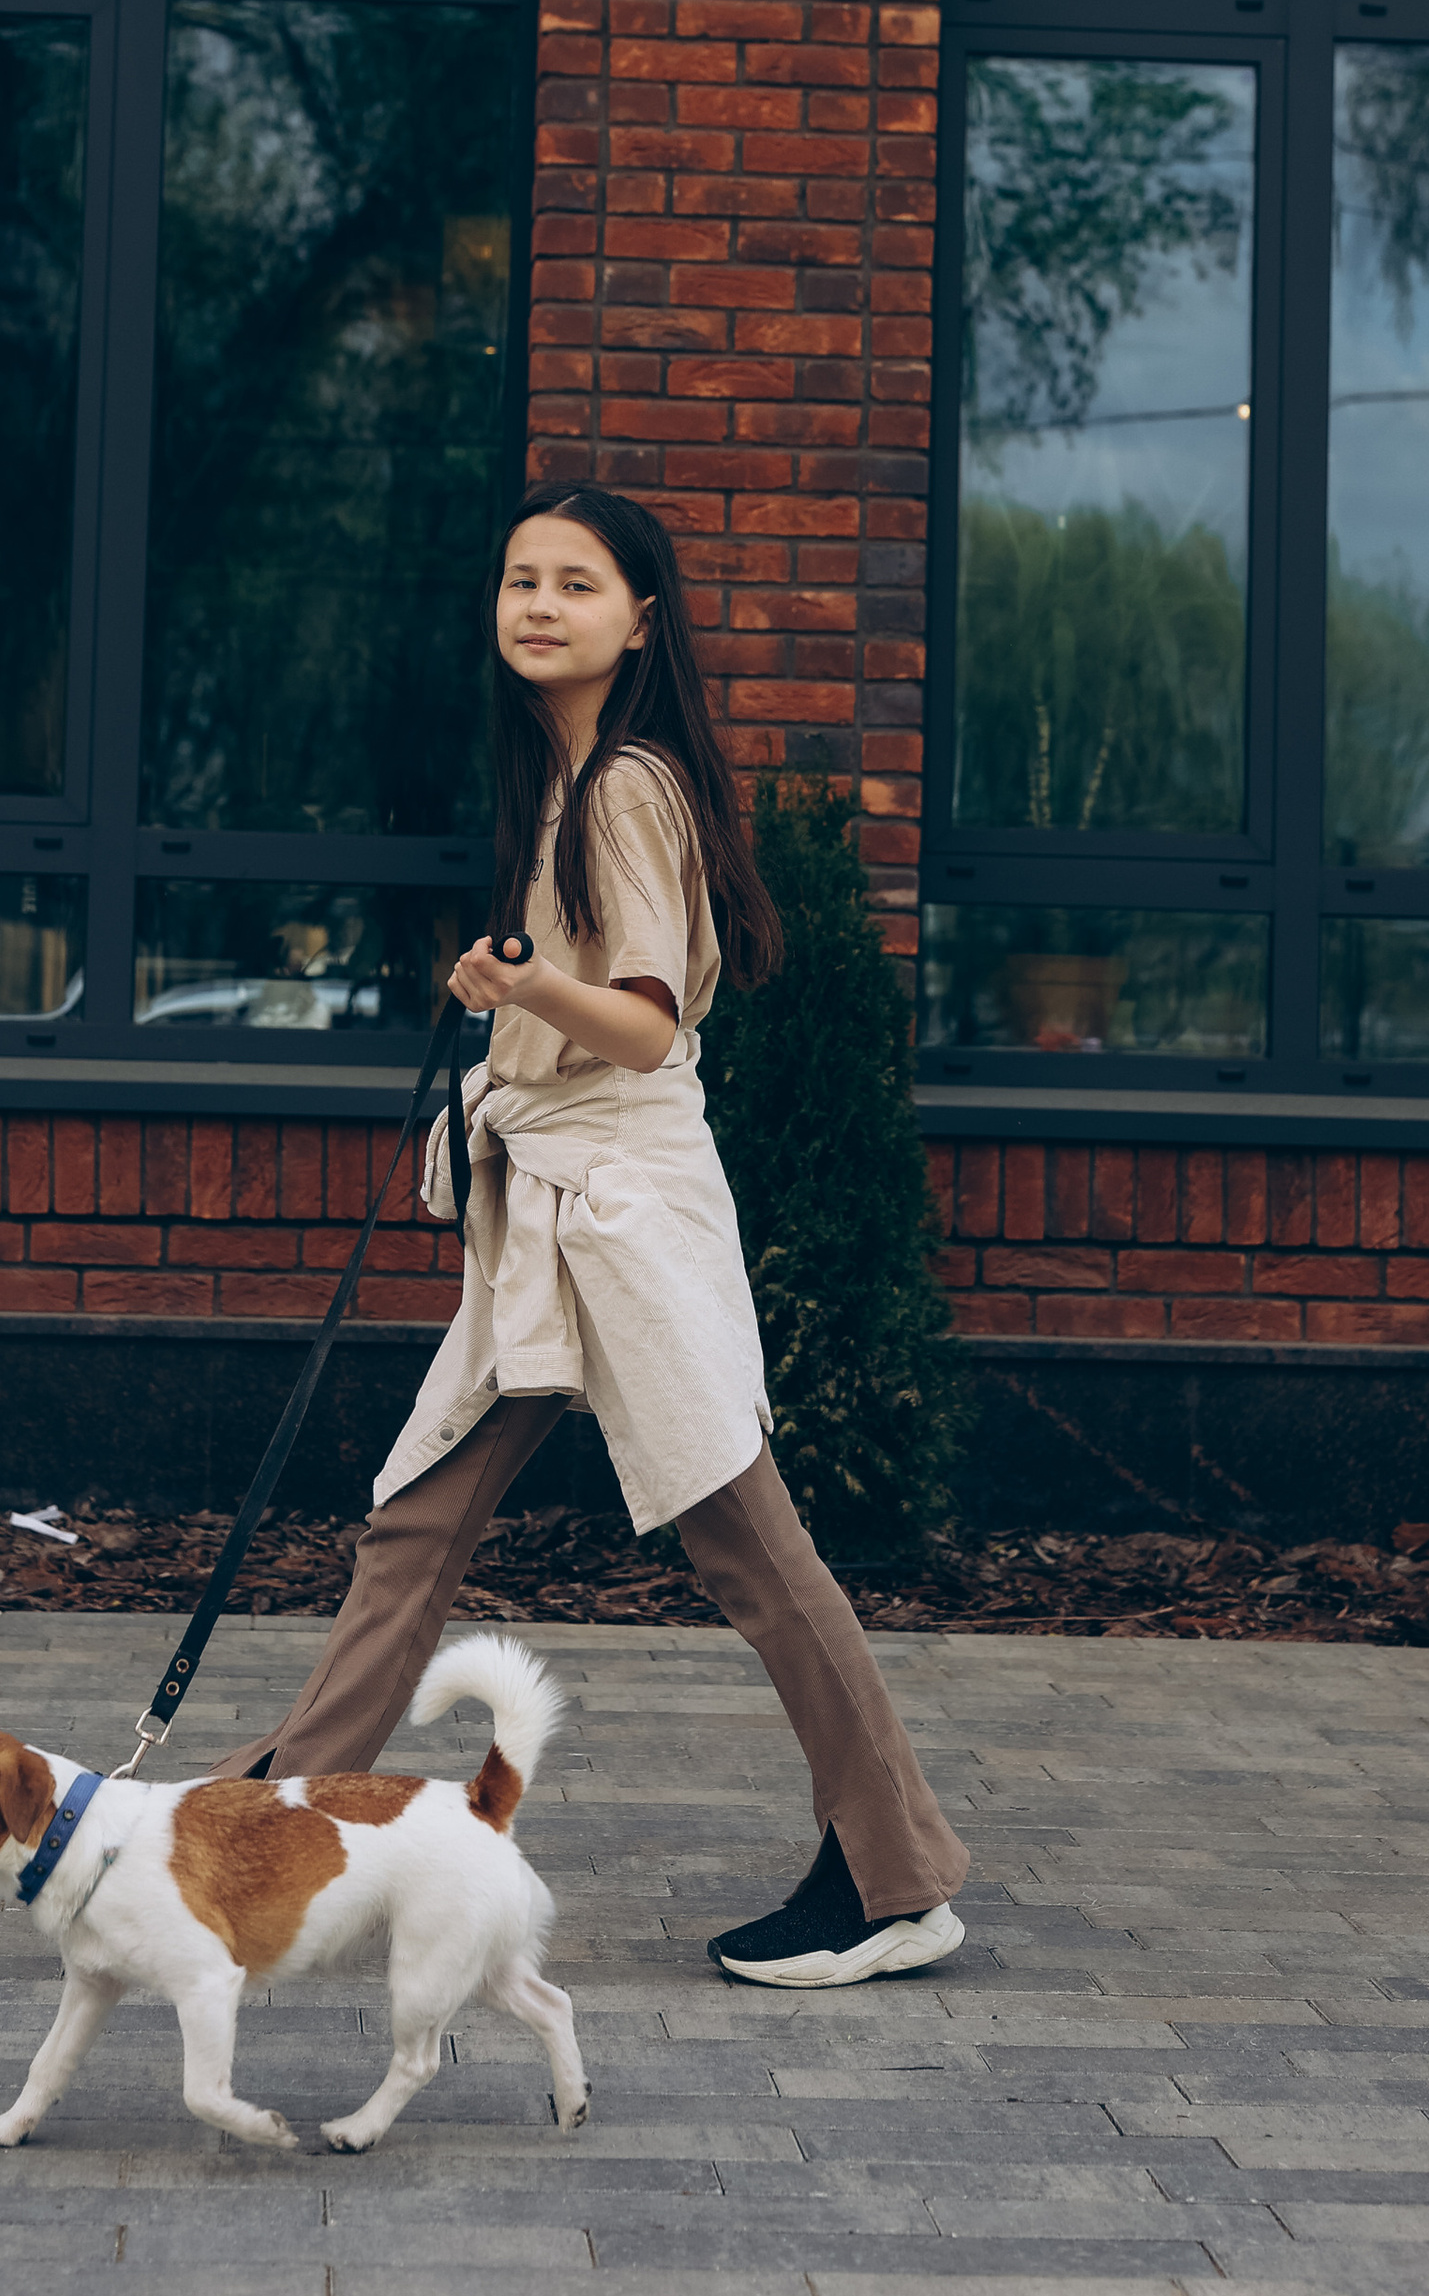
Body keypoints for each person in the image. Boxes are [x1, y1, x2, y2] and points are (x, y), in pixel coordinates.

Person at [207, 480, 969, 1988]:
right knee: (416, 1525)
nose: (539, 604)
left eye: (575, 582)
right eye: (518, 580)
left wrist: (519, 993)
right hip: (560, 1210)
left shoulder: (628, 785)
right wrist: (515, 1003)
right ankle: (265, 1835)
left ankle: (897, 1876)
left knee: (750, 1547)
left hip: (619, 1212)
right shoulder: (572, 786)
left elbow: (638, 1024)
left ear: (641, 622)